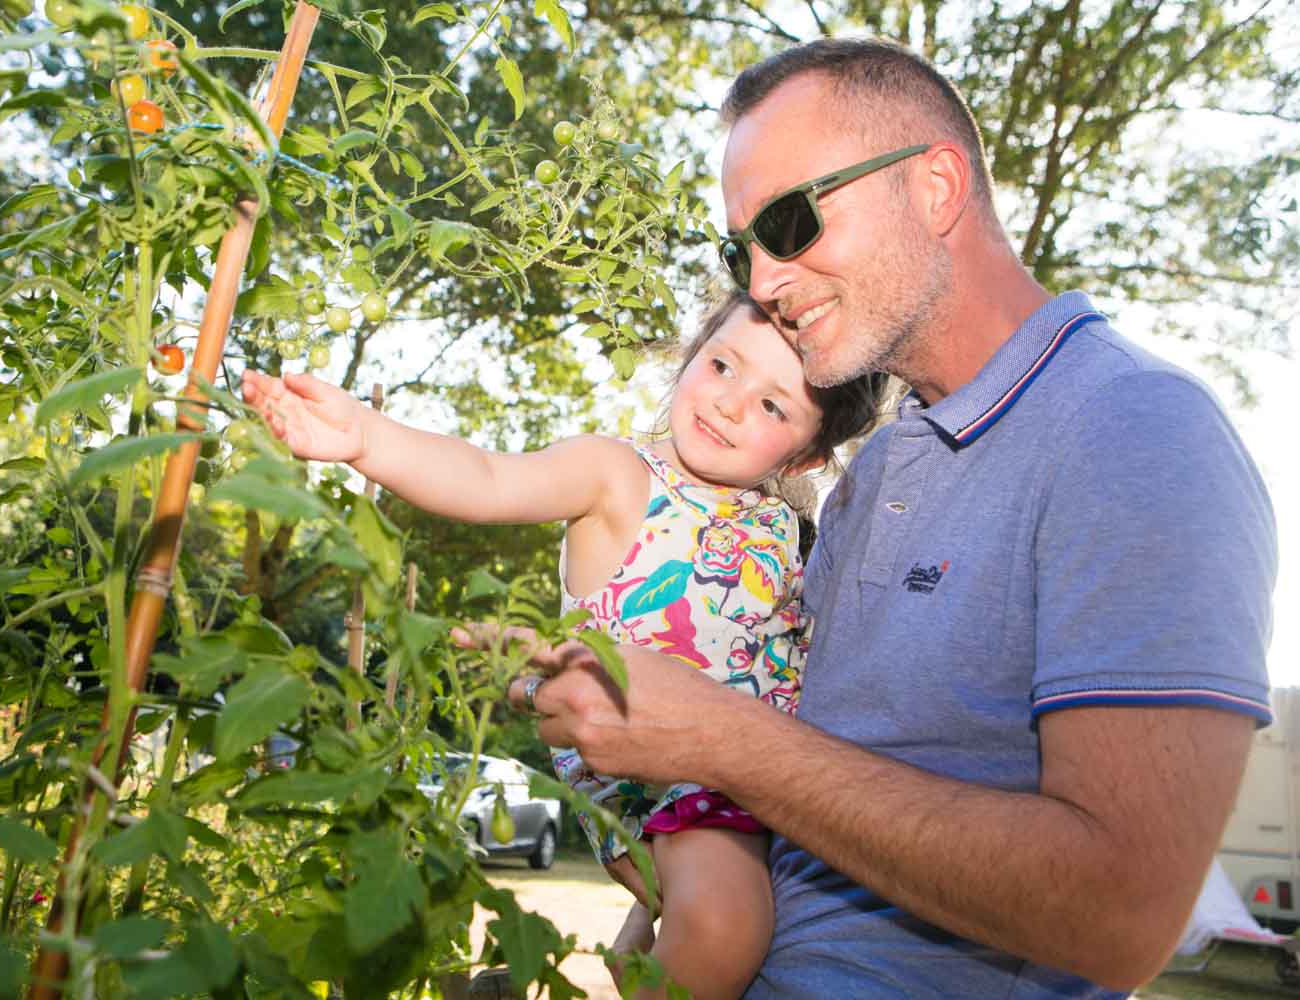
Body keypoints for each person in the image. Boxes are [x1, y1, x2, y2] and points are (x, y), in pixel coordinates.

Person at [479, 37, 1278, 999]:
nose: (764, 281)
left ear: (935, 187)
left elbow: (1120, 918)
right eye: (744, 248)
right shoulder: (868, 474)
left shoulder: (1134, 429)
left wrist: (716, 737)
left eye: (788, 221)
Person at [242, 290, 886, 1000]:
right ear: (691, 355)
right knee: (727, 929)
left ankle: (630, 944)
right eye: (723, 365)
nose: (730, 403)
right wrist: (368, 438)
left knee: (721, 908)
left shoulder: (779, 523)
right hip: (662, 776)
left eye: (773, 407)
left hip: (759, 781)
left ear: (805, 458)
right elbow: (489, 477)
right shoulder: (617, 474)